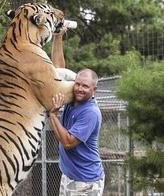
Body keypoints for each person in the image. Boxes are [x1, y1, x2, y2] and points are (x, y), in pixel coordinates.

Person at [49, 28, 105, 195]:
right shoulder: (74, 97)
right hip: (69, 176)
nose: (80, 89)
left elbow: (68, 142)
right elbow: (58, 70)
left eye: (85, 86)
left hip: (87, 182)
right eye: (78, 84)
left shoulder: (91, 113)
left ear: (94, 90)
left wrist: (53, 115)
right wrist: (58, 37)